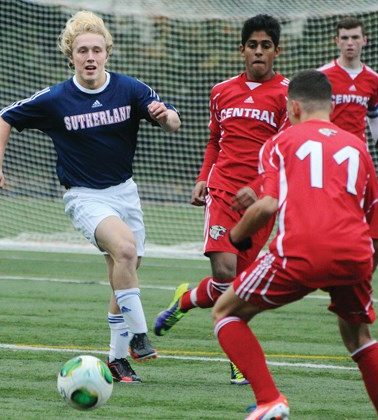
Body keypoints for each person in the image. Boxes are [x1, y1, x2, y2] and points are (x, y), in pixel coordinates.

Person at [0, 10, 181, 383]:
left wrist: (164, 115)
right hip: (84, 197)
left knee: (124, 270)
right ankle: (139, 336)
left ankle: (117, 360)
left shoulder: (131, 89)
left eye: (96, 49)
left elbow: (174, 122)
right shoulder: (57, 98)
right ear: (70, 56)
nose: (90, 57)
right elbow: (4, 117)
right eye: (81, 51)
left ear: (108, 52)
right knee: (124, 251)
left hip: (125, 192)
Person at [212, 70, 378, 420]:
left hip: (300, 251)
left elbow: (267, 205)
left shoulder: (280, 143)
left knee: (226, 313)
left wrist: (237, 236)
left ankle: (270, 399)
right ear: (331, 106)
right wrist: (356, 275)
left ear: (293, 107)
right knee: (359, 338)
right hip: (355, 255)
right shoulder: (358, 148)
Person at [155, 14, 289, 385]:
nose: (258, 51)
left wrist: (264, 189)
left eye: (265, 46)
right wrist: (203, 179)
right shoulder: (221, 91)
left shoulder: (287, 95)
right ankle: (237, 357)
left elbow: (285, 151)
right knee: (226, 274)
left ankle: (185, 299)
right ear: (241, 49)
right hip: (224, 190)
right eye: (252, 45)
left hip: (261, 201)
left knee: (241, 287)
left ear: (277, 51)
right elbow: (215, 140)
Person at [318, 17, 378, 175]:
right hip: (327, 151)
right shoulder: (322, 76)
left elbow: (374, 117)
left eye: (355, 37)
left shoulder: (373, 78)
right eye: (345, 38)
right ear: (337, 41)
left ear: (364, 40)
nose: (349, 42)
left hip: (358, 151)